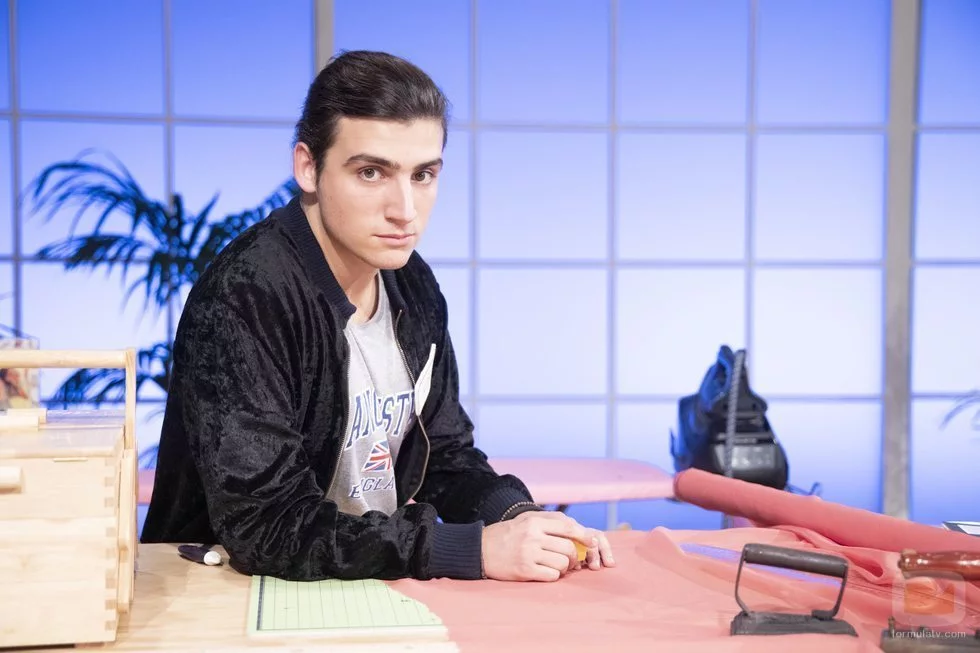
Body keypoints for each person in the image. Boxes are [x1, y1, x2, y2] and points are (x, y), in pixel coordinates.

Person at [141, 50, 615, 583]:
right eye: (371, 173)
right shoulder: (248, 295)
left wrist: (516, 517)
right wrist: (469, 549)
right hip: (223, 588)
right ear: (308, 168)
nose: (404, 210)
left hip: (360, 582)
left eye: (423, 175)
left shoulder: (412, 282)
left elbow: (445, 456)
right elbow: (267, 528)